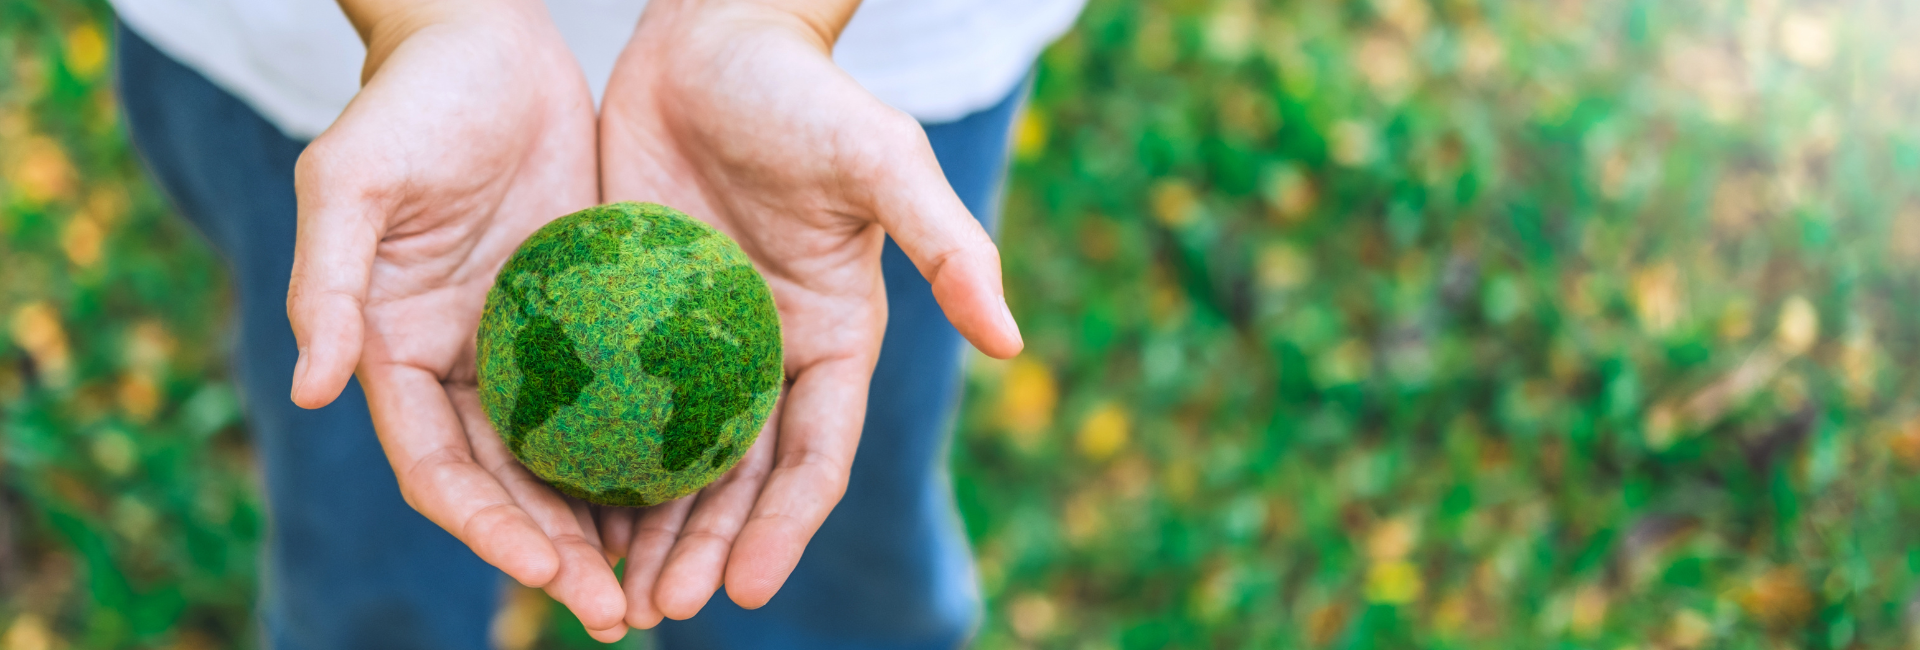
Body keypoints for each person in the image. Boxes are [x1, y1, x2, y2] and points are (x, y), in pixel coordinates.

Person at [107, 0, 1083, 646]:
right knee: (365, 535)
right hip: (339, 92)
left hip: (844, 92)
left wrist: (766, 15)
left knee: (823, 554)